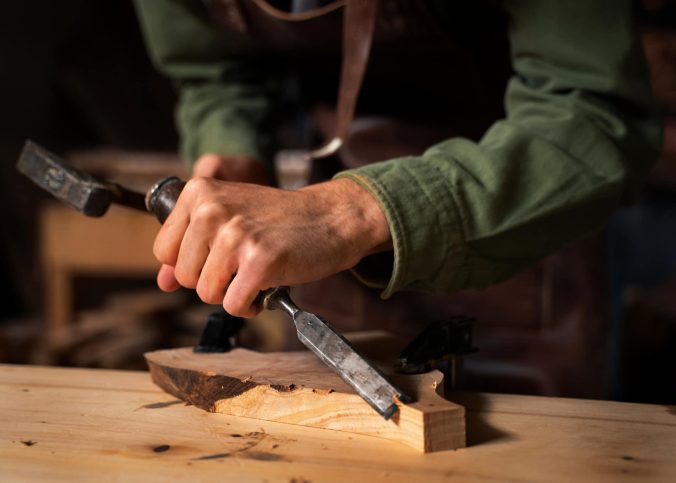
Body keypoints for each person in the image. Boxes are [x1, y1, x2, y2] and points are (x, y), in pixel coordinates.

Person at [133, 0, 661, 322]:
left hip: (528, 238)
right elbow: (214, 72)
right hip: (327, 269)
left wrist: (347, 213)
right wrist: (232, 151)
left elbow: (594, 116)